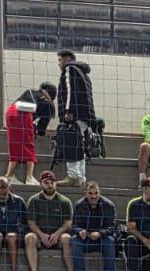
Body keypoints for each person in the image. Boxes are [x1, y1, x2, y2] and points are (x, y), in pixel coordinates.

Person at [55, 50, 96, 186]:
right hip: (86, 115)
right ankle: (81, 177)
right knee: (80, 145)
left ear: (67, 59)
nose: (59, 63)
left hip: (75, 114)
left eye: (60, 60)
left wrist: (68, 110)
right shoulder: (83, 73)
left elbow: (70, 89)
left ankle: (73, 176)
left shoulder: (69, 69)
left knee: (70, 140)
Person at [24, 172, 75, 271]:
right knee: (29, 237)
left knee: (67, 238)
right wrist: (41, 235)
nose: (49, 185)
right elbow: (31, 222)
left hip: (58, 236)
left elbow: (68, 223)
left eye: (52, 182)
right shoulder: (34, 200)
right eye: (46, 183)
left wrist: (57, 234)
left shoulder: (65, 201)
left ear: (56, 183)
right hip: (40, 235)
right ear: (41, 184)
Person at [71, 181, 119, 271]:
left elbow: (112, 227)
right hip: (85, 239)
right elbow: (74, 225)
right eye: (90, 193)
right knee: (75, 240)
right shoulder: (79, 205)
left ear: (100, 193)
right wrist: (80, 231)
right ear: (85, 193)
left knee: (110, 241)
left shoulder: (109, 206)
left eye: (96, 193)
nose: (93, 196)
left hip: (102, 239)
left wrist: (100, 233)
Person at [5, 85, 53, 184]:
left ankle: (9, 175)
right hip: (24, 115)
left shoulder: (30, 91)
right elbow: (41, 130)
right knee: (28, 145)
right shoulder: (48, 103)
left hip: (10, 112)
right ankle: (29, 177)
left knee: (14, 145)